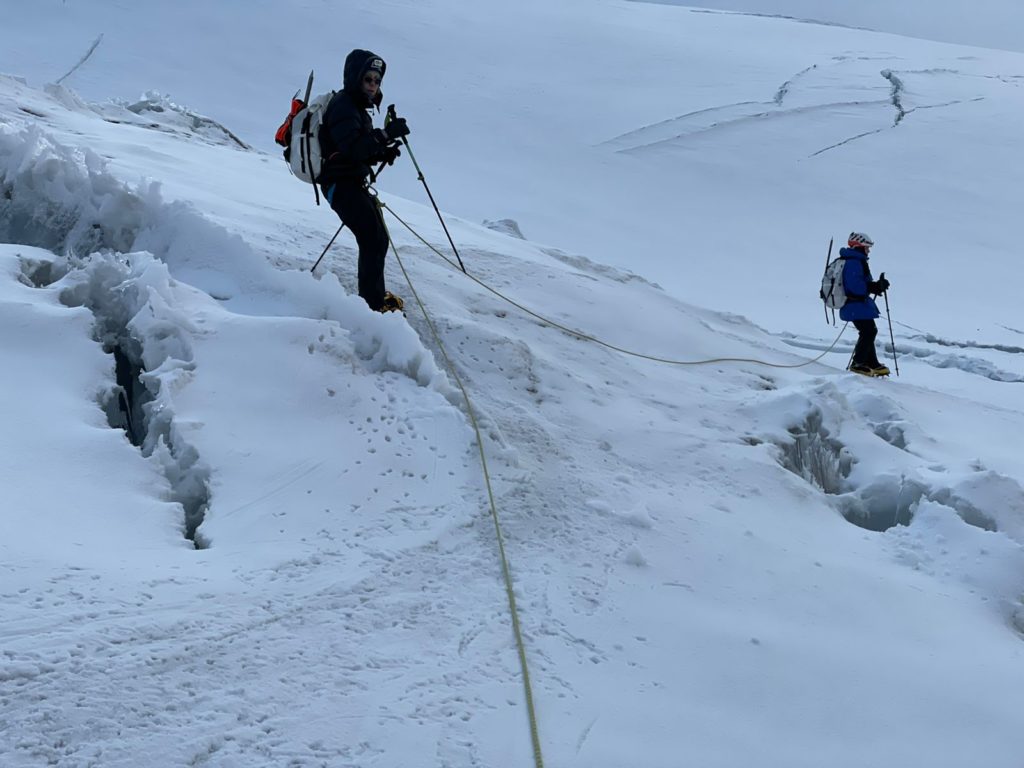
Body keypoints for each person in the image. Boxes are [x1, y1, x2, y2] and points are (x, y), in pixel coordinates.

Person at [318, 49, 410, 312]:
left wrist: (384, 148)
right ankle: (372, 305)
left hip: (350, 183)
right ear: (354, 78)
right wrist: (384, 135)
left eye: (377, 80)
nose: (372, 85)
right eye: (367, 79)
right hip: (341, 186)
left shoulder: (356, 107)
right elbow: (353, 149)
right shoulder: (344, 105)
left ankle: (374, 299)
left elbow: (359, 149)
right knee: (372, 238)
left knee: (377, 238)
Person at [839, 231, 891, 376]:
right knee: (869, 331)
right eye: (867, 247)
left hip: (858, 305)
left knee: (869, 331)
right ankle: (858, 363)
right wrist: (873, 287)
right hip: (853, 304)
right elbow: (855, 287)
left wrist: (876, 286)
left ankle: (871, 362)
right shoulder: (853, 262)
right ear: (859, 247)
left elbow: (861, 284)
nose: (868, 251)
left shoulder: (857, 261)